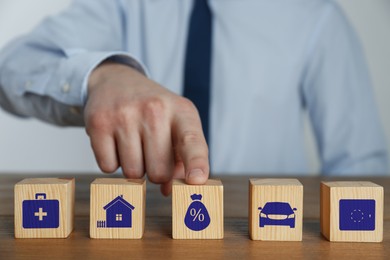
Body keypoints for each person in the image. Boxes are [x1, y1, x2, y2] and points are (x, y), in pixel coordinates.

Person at [0, 0, 388, 195]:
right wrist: (101, 75)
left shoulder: (314, 15)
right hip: (144, 231)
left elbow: (360, 164)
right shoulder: (124, 4)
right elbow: (11, 68)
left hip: (267, 233)